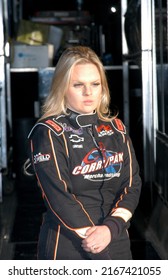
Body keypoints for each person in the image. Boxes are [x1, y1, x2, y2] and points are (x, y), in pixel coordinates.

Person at [25, 45, 142, 260]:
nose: (89, 92)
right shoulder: (48, 133)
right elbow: (59, 197)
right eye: (78, 85)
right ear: (62, 87)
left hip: (116, 239)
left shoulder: (117, 129)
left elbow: (132, 186)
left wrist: (110, 229)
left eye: (95, 84)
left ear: (103, 87)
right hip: (69, 245)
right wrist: (95, 241)